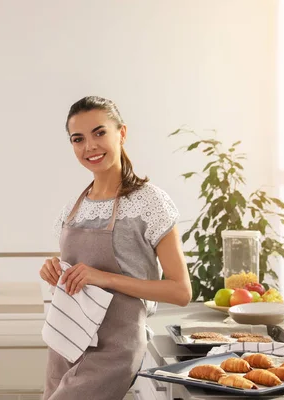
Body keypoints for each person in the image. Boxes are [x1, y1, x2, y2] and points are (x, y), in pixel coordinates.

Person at [40, 96, 192, 400]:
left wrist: (104, 277)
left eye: (99, 133)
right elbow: (78, 275)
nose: (89, 147)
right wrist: (54, 270)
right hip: (67, 342)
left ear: (121, 133)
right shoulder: (74, 207)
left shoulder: (151, 203)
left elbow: (181, 291)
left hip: (115, 350)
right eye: (78, 139)